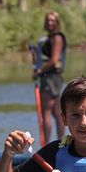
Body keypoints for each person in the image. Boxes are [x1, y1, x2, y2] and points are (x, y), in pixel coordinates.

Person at [33, 11, 67, 144]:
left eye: (52, 20)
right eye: (48, 20)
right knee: (56, 112)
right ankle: (60, 143)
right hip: (53, 77)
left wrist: (39, 72)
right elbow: (45, 58)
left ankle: (46, 145)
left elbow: (54, 60)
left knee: (46, 112)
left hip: (50, 78)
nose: (49, 23)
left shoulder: (57, 38)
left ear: (57, 22)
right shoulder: (50, 38)